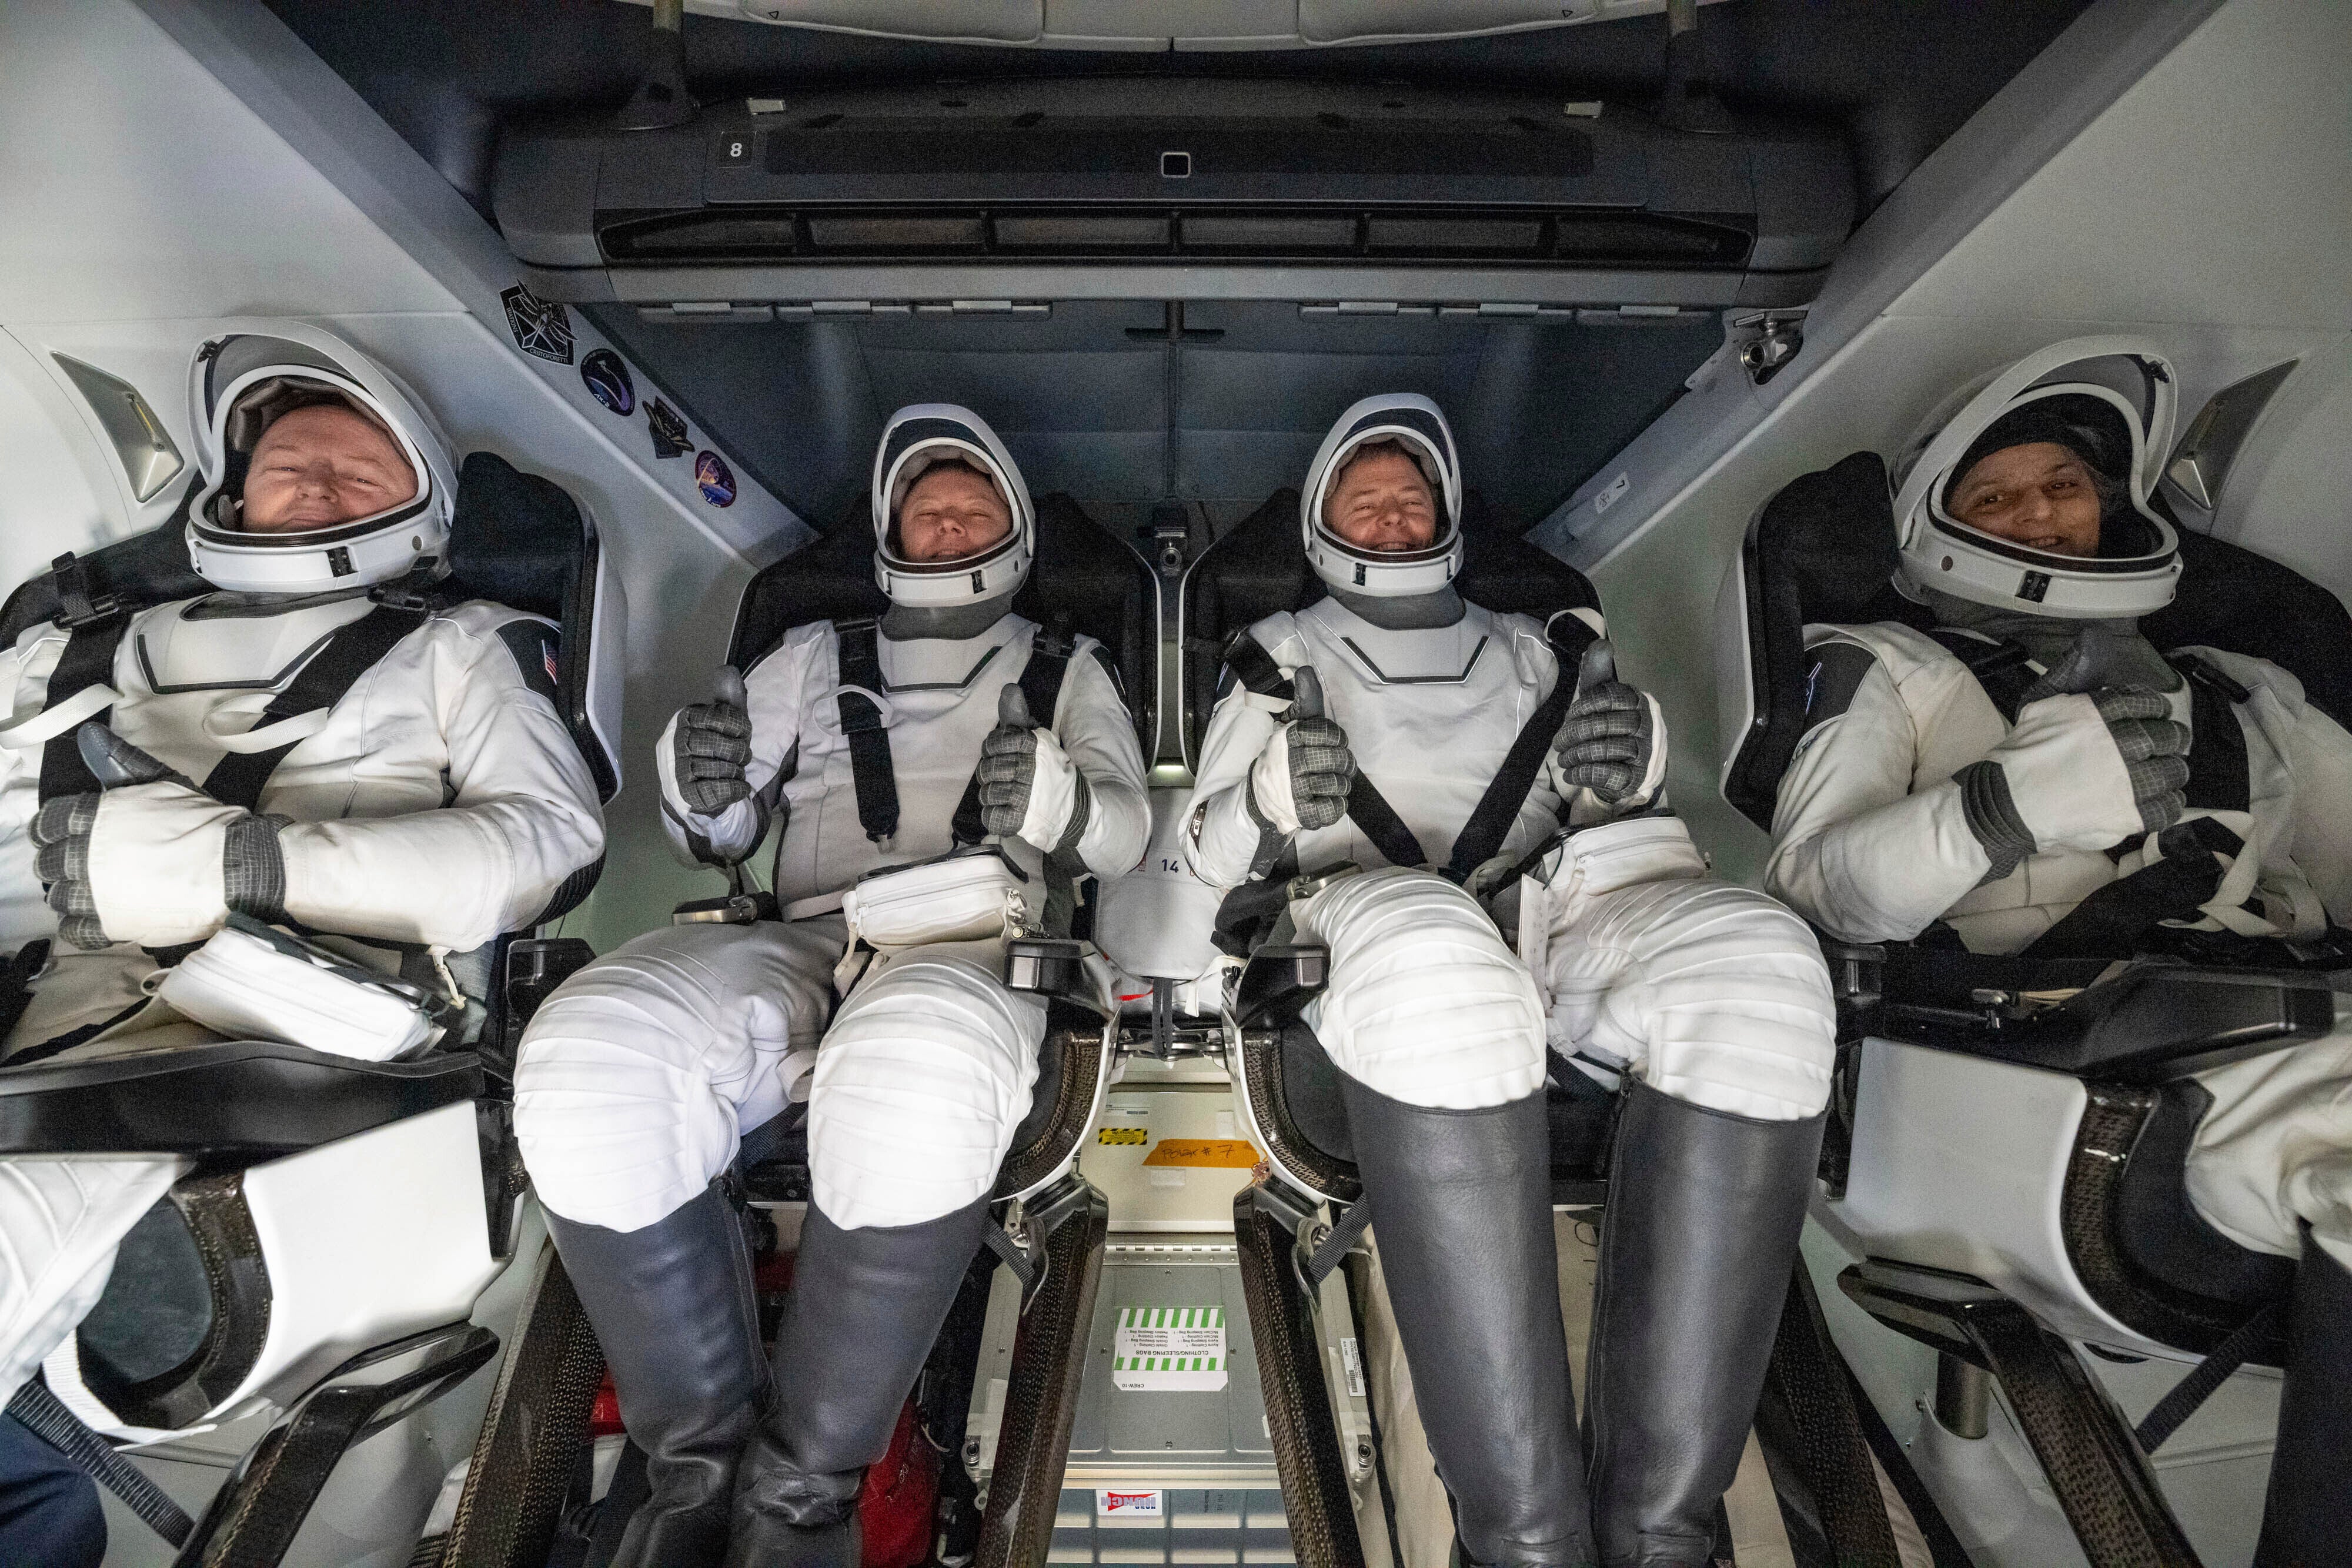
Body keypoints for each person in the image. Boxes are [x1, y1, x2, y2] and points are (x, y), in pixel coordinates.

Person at [1184, 394, 1836, 1568]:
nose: (1389, 515)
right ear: (1320, 522)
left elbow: (1607, 821)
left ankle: (1658, 1531)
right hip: (1359, 941)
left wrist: (1623, 777)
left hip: (1551, 928)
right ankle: (1522, 1539)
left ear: (1448, 515)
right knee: (1443, 957)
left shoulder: (1545, 649)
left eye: (1410, 495)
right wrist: (1265, 802)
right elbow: (1186, 873)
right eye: (1362, 498)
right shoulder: (1273, 662)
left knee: (1760, 962)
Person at [0, 324, 608, 1559]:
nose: (322, 484)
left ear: (426, 511)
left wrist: (250, 864)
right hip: (52, 1037)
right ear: (231, 491)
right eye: (294, 461)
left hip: (286, 1062)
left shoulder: (462, 645)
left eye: (360, 468)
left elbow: (549, 842)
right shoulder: (75, 651)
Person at [513, 404, 1150, 1568]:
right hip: (807, 932)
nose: (946, 519)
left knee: (912, 1062)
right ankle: (695, 1473)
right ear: (887, 531)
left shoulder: (1068, 668)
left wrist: (1055, 801)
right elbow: (720, 820)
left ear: (1012, 532)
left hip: (971, 936)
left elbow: (1120, 832)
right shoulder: (809, 656)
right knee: (591, 1047)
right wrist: (701, 786)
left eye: (970, 504)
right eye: (925, 504)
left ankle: (800, 1503)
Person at [1763, 339, 2352, 1567]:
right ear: (1937, 525)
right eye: (1997, 494)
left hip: (2286, 1021)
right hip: (2074, 1069)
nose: (2039, 510)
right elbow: (1814, 883)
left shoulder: (2242, 690)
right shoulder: (1892, 671)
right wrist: (2003, 807)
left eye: (2063, 484)